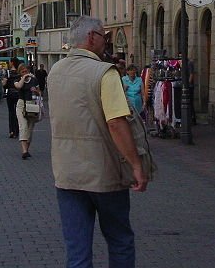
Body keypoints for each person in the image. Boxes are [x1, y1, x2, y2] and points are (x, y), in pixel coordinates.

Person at [48, 16, 148, 267]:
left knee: (77, 250)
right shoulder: (104, 73)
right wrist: (136, 164)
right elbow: (116, 123)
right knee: (120, 240)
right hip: (104, 173)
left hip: (67, 173)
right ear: (92, 37)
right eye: (105, 36)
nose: (107, 42)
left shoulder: (55, 72)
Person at [14, 64, 40, 159]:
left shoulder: (34, 80)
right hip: (21, 105)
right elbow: (19, 86)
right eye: (23, 72)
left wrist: (36, 91)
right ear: (20, 72)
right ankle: (24, 151)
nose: (25, 73)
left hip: (32, 104)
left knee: (30, 129)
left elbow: (39, 92)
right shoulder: (17, 79)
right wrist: (23, 78)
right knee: (23, 126)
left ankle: (26, 150)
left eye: (26, 71)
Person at [4, 59, 21, 138]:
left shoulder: (8, 73)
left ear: (12, 63)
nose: (9, 64)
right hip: (18, 93)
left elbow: (4, 83)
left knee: (11, 112)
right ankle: (17, 131)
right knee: (18, 112)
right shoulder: (19, 73)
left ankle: (11, 131)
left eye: (10, 62)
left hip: (10, 93)